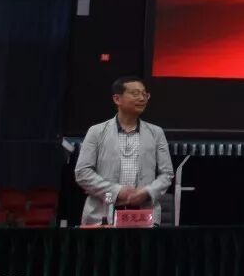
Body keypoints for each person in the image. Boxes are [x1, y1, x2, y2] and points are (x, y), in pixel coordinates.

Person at [74, 76, 174, 226]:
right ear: (117, 99)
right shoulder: (96, 132)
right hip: (102, 215)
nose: (142, 98)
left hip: (143, 215)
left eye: (144, 94)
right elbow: (82, 172)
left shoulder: (156, 133)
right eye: (135, 93)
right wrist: (116, 191)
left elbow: (167, 174)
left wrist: (147, 192)